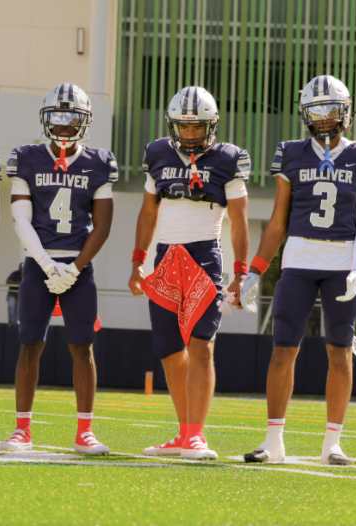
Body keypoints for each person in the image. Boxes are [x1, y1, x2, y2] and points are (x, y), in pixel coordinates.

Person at [239, 75, 356, 466]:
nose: (323, 118)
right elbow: (277, 222)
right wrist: (255, 270)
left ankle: (332, 443)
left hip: (342, 263)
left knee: (340, 352)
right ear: (304, 114)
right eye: (315, 111)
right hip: (299, 260)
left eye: (330, 110)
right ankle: (273, 442)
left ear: (346, 112)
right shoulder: (290, 153)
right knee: (282, 349)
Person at [129, 86, 251, 460]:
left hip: (205, 257)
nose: (190, 133)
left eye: (197, 127)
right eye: (184, 126)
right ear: (173, 125)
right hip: (166, 257)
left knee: (201, 345)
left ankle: (196, 436)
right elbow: (148, 212)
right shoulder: (157, 153)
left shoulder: (228, 158)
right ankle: (184, 434)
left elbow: (238, 221)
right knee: (168, 348)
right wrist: (137, 261)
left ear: (210, 126)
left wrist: (240, 272)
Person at [0, 83, 116, 455]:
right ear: (45, 119)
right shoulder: (27, 157)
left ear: (84, 122)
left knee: (83, 347)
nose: (64, 126)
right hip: (38, 264)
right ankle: (22, 430)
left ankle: (85, 433)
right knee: (30, 345)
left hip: (80, 267)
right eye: (58, 118)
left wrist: (75, 267)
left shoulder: (99, 162)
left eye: (71, 119)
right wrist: (47, 263)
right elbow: (20, 218)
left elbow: (103, 226)